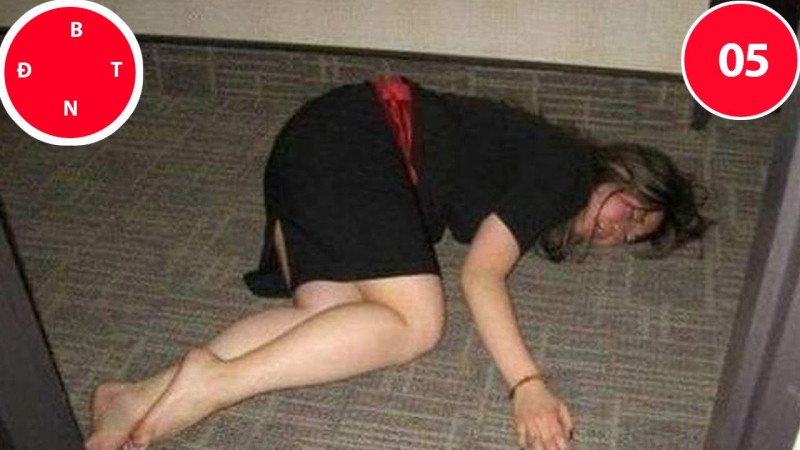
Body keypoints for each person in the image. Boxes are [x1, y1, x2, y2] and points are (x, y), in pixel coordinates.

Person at [86, 77, 708, 450]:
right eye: (632, 210)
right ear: (622, 172)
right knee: (416, 324)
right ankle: (216, 385)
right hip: (361, 140)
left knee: (341, 323)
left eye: (630, 236)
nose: (617, 229)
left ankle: (136, 396)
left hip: (315, 150)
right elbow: (480, 275)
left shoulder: (540, 172)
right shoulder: (568, 168)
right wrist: (528, 386)